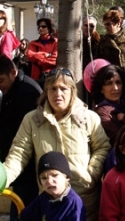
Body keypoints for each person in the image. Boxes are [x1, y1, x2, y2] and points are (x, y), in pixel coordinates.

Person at [3, 68, 110, 221]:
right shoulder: (32, 120)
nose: (58, 94)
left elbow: (102, 147)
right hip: (49, 202)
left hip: (85, 199)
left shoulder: (88, 118)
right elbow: (19, 154)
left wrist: (91, 173)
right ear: (46, 91)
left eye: (63, 88)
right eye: (53, 88)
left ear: (72, 91)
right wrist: (4, 178)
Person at [0, 55, 41, 220]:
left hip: (28, 170)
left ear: (13, 73)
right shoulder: (10, 91)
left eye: (1, 80)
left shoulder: (28, 92)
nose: (0, 86)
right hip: (15, 167)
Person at [18, 151, 86, 221]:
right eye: (44, 178)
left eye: (54, 175)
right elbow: (25, 216)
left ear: (67, 177)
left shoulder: (73, 203)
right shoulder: (43, 198)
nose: (49, 181)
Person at [92, 64, 125, 146]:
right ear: (101, 89)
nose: (115, 88)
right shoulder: (102, 112)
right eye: (109, 83)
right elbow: (120, 139)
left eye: (118, 82)